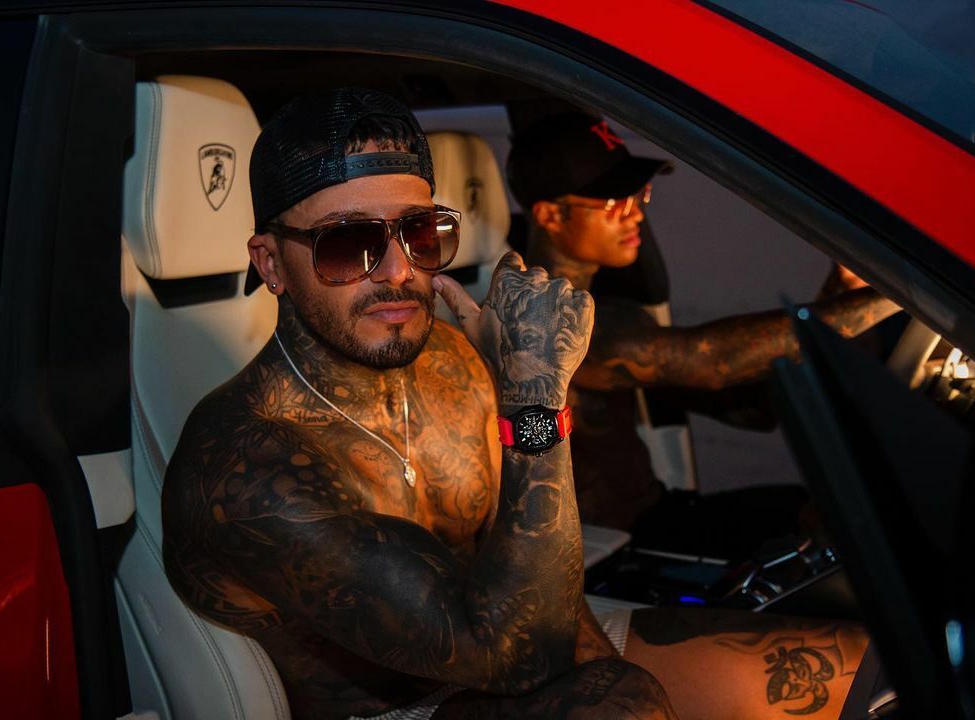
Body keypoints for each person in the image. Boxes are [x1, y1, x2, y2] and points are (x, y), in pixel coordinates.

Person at [163, 88, 872, 720]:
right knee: (623, 705)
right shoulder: (248, 467)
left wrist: (612, 671)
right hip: (403, 705)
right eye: (348, 244)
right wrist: (534, 390)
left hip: (526, 630)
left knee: (862, 665)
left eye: (419, 232)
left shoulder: (450, 366)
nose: (399, 271)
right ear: (271, 263)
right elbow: (513, 657)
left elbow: (547, 588)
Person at [506, 111, 902, 557]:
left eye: (639, 195)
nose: (636, 215)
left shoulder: (612, 314)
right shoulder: (540, 323)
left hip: (655, 517)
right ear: (551, 215)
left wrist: (841, 289)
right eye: (615, 203)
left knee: (831, 514)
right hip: (607, 553)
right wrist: (900, 295)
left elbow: (751, 410)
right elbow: (708, 360)